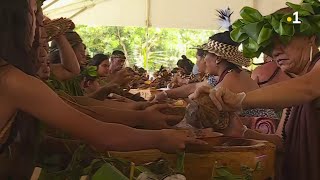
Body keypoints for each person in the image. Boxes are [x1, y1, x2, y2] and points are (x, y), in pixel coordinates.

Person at [0, 0, 204, 178]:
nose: (38, 26)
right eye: (34, 13)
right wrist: (159, 137)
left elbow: (84, 108)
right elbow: (101, 133)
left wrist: (138, 113)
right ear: (14, 20)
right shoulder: (14, 81)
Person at [193, 2, 320, 179]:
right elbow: (282, 142)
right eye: (270, 46)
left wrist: (238, 99)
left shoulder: (307, 82)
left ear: (311, 38)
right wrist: (241, 132)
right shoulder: (295, 84)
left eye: (284, 40)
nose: (276, 51)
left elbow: (309, 88)